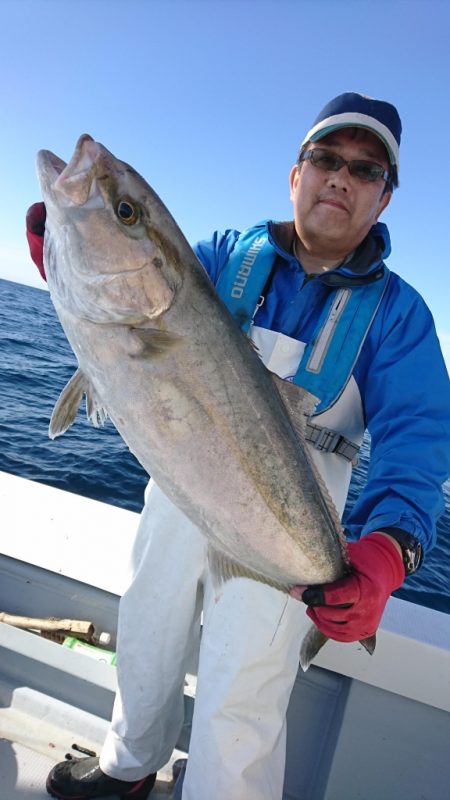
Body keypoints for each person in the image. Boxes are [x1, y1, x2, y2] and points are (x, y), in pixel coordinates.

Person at [26, 92, 450, 800]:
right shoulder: (225, 255)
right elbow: (134, 312)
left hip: (290, 514)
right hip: (180, 481)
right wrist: (69, 261)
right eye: (325, 158)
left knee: (244, 687)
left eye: (365, 170)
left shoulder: (399, 315)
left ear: (385, 199)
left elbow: (419, 440)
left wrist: (387, 548)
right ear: (295, 174)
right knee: (147, 624)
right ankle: (129, 766)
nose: (340, 178)